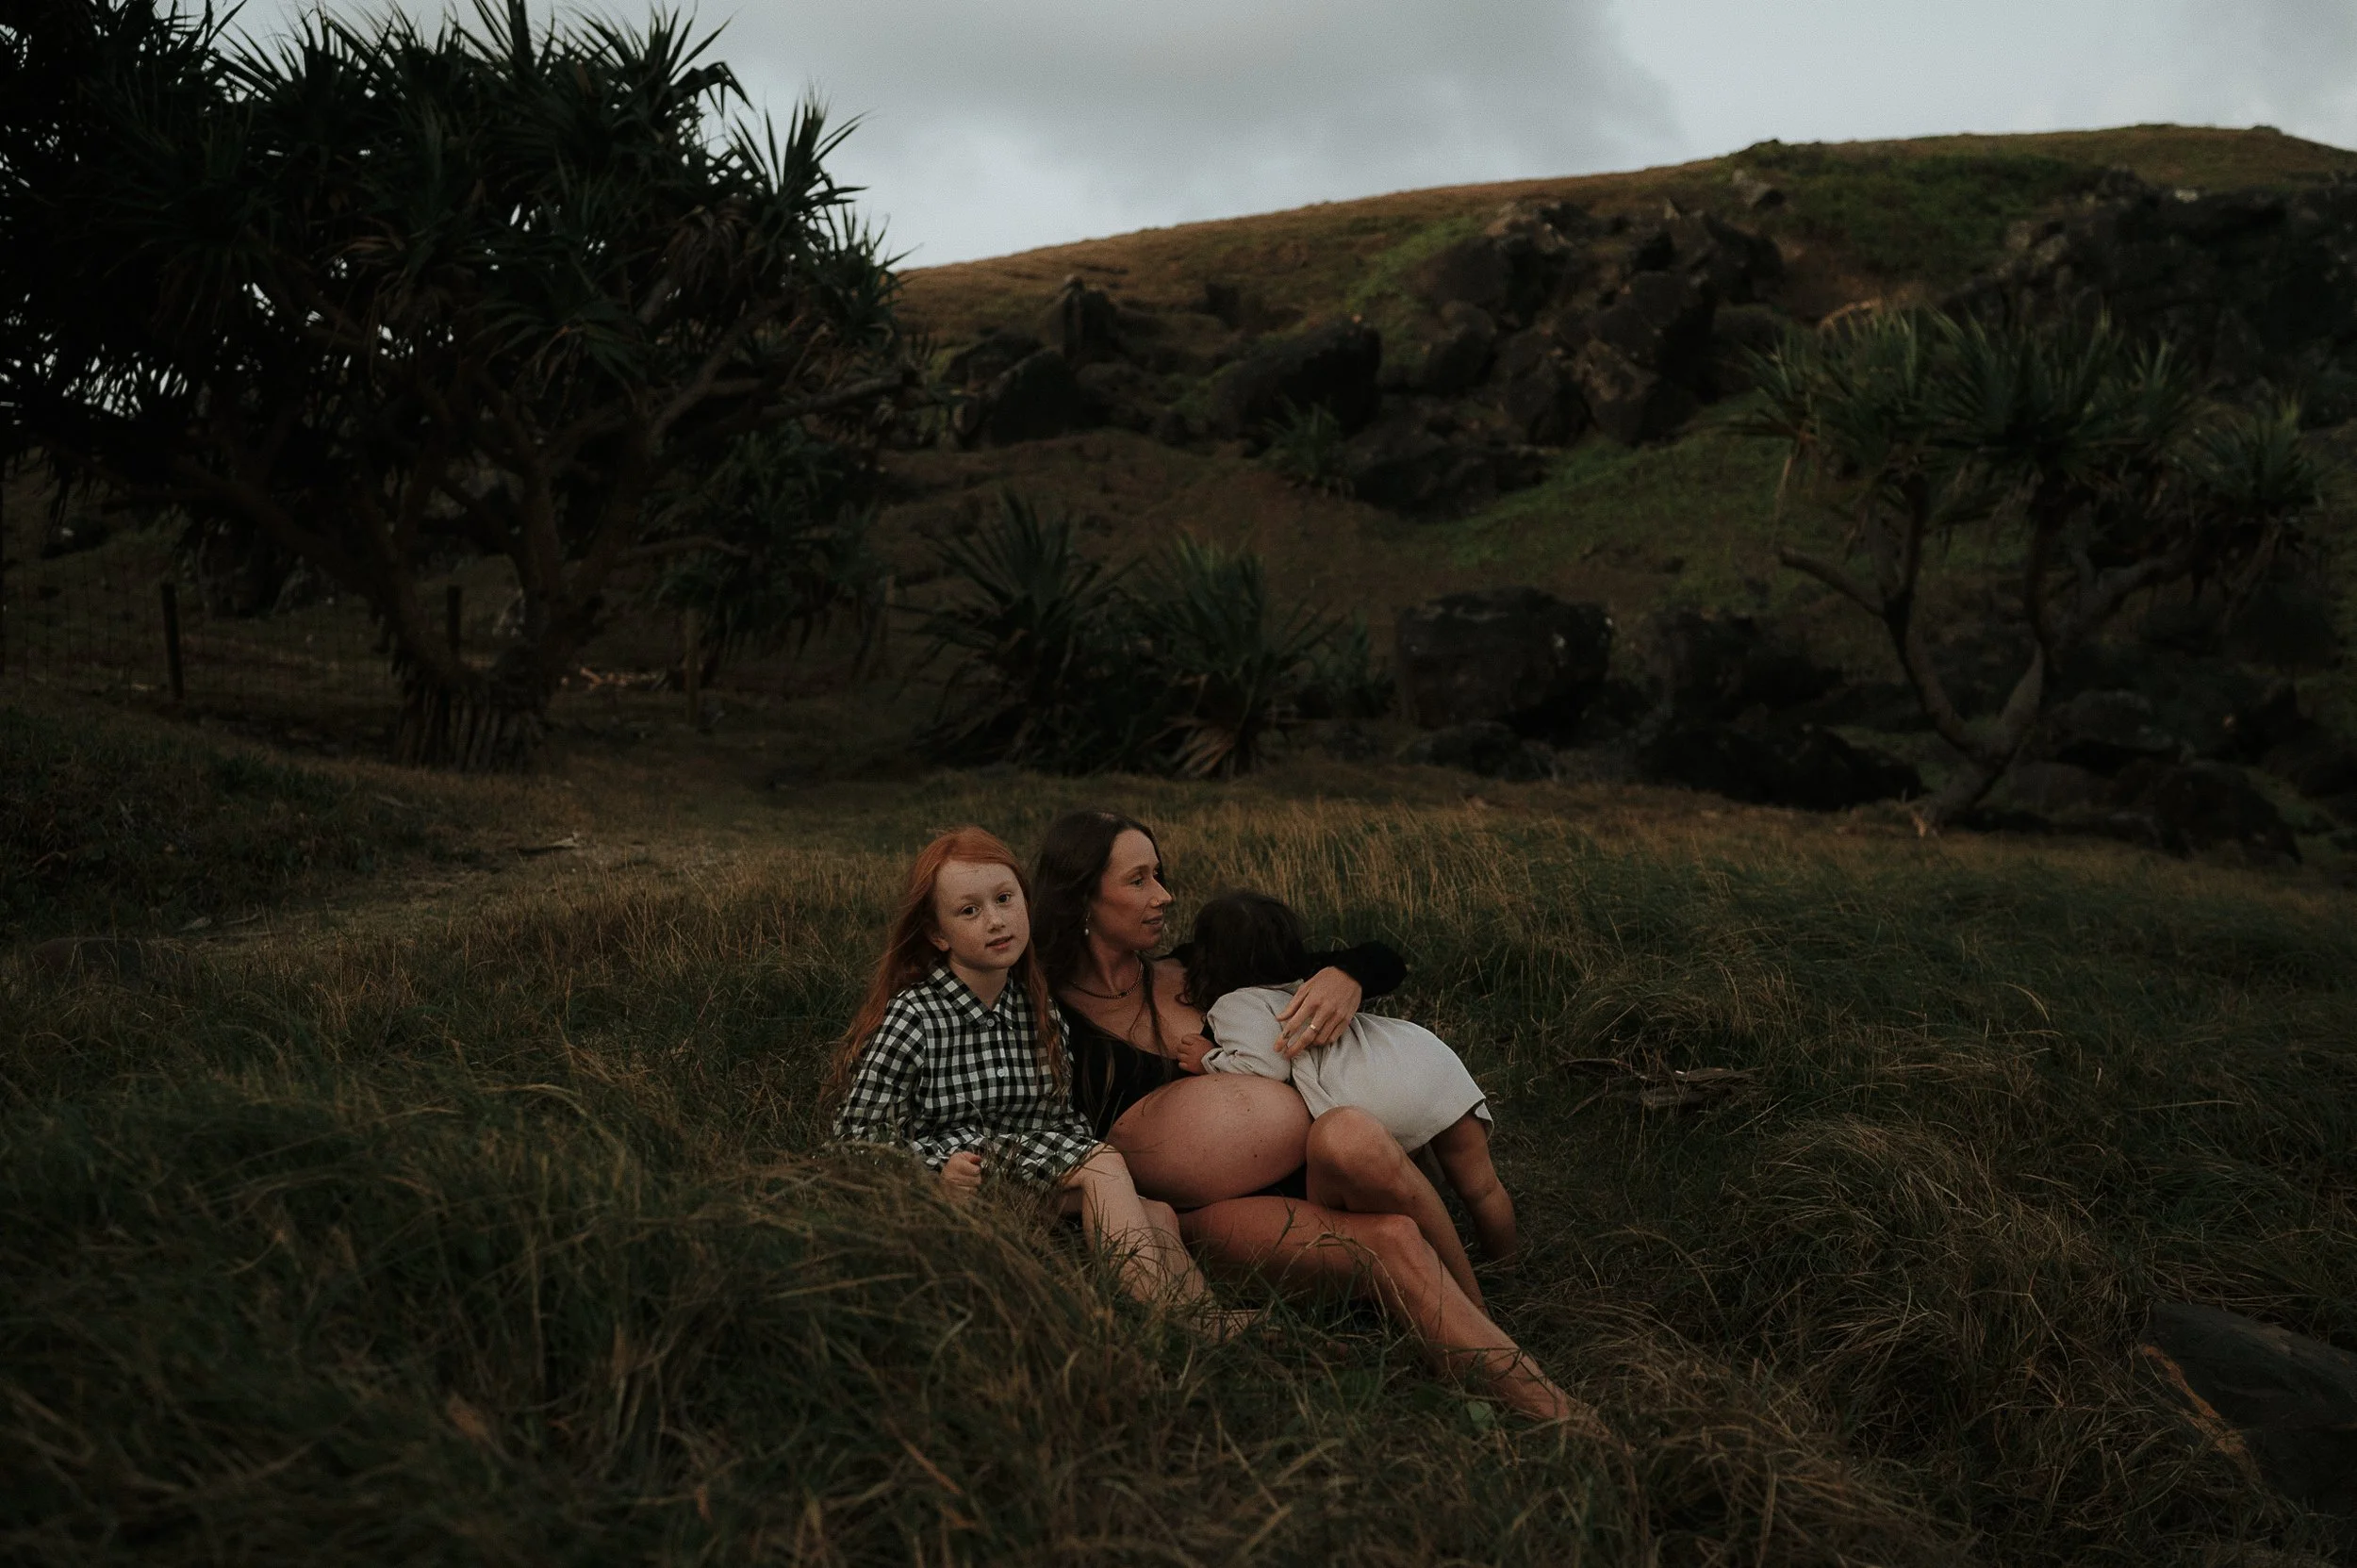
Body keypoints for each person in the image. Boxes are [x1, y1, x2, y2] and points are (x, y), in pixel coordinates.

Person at [1032, 808, 1583, 1422]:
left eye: (1160, 874)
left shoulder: (1203, 967)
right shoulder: (1048, 1019)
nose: (1164, 895)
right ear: (1082, 897)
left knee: (1350, 1132)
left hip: (1322, 1164)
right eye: (1139, 880)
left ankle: (1477, 1330)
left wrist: (1346, 975)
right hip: (1206, 1217)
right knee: (1392, 1240)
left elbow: (1379, 958)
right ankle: (1556, 1415)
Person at [830, 826, 1228, 1325]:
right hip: (957, 1185)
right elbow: (852, 1143)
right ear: (937, 933)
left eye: (1004, 899)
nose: (996, 922)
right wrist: (937, 1170)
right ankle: (1165, 1322)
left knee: (1159, 1213)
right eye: (969, 911)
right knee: (1102, 1164)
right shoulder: (917, 1016)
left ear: (1026, 902)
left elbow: (1058, 1120)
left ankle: (1207, 1321)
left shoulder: (1035, 1007)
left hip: (1025, 1181)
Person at [1181, 888, 1515, 1297]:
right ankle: (1509, 1267)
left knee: (1378, 1192)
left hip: (1374, 1100)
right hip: (1427, 1061)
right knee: (1481, 1187)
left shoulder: (1236, 1003)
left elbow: (1267, 1065)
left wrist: (1208, 1060)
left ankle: (1455, 1292)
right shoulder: (1309, 981)